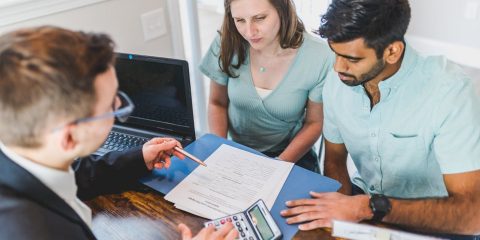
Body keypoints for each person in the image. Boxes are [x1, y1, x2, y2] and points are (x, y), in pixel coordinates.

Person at [0, 26, 237, 240]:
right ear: (69, 138)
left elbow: (80, 173)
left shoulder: (30, 154)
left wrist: (140, 157)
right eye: (111, 107)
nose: (119, 109)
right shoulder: (27, 230)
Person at [280, 0, 480, 238]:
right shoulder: (338, 82)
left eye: (352, 59)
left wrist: (365, 208)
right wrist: (340, 224)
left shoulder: (450, 92)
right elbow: (334, 159)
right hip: (362, 206)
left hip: (434, 222)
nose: (337, 67)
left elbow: (472, 217)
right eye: (335, 53)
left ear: (392, 51)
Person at [200, 0, 333, 172]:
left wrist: (277, 165)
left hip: (292, 155)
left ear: (282, 9)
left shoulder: (320, 55)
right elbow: (217, 103)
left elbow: (314, 123)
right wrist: (220, 150)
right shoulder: (226, 42)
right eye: (239, 20)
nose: (249, 32)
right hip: (235, 152)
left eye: (260, 18)